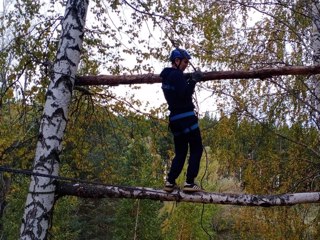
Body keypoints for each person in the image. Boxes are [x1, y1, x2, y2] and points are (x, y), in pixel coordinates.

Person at [160, 48, 203, 192]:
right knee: (196, 148)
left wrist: (189, 79)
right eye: (185, 62)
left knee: (181, 152)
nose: (186, 65)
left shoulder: (166, 77)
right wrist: (194, 80)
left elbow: (178, 92)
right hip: (186, 118)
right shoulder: (177, 75)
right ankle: (190, 182)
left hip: (175, 120)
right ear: (176, 61)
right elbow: (185, 94)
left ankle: (170, 182)